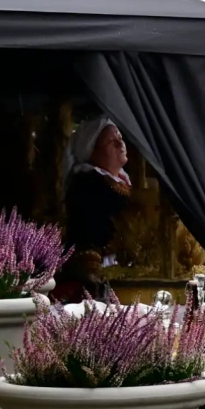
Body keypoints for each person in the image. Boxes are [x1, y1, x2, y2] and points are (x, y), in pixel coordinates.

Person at [57, 117, 133, 302]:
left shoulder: (120, 179)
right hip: (99, 265)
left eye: (120, 137)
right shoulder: (88, 183)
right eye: (111, 141)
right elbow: (89, 231)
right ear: (92, 151)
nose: (120, 143)